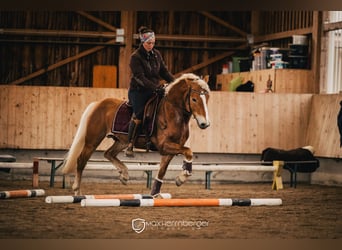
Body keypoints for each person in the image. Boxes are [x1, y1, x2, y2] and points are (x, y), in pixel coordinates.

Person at [125, 26, 175, 157]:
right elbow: (140, 78)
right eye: (148, 43)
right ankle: (130, 144)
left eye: (153, 43)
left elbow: (164, 71)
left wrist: (175, 82)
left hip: (155, 90)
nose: (151, 45)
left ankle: (155, 139)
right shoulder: (135, 57)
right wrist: (156, 88)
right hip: (138, 91)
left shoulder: (157, 54)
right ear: (143, 42)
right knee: (140, 113)